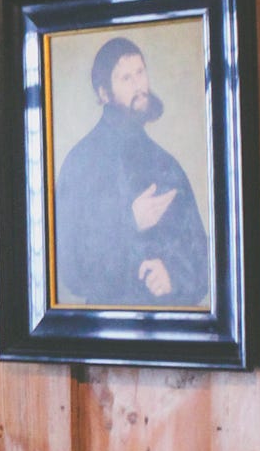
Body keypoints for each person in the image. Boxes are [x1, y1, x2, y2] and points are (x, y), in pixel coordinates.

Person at [53, 35, 209, 306]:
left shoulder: (166, 165)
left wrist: (173, 276)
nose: (139, 85)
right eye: (126, 79)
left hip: (170, 332)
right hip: (107, 334)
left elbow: (203, 259)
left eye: (140, 73)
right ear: (104, 94)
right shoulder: (80, 163)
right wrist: (129, 221)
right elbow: (70, 269)